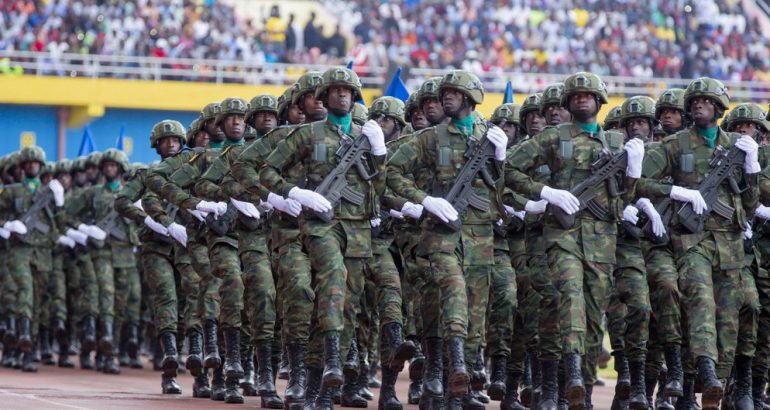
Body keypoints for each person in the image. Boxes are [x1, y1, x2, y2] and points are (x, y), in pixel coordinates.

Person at [504, 72, 645, 409]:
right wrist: (545, 192)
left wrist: (634, 172)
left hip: (602, 242)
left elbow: (622, 200)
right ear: (568, 102)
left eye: (588, 95)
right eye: (576, 96)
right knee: (570, 300)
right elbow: (508, 169)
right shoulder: (553, 137)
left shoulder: (615, 143)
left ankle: (582, 391)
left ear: (599, 101)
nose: (582, 99)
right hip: (562, 236)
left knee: (594, 318)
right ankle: (565, 381)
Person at [387, 70, 510, 408]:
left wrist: (501, 159)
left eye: (453, 93)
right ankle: (452, 368)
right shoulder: (431, 138)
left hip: (480, 236)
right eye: (444, 94)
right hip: (441, 236)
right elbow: (391, 171)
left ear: (470, 98)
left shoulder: (490, 137)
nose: (445, 99)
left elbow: (502, 193)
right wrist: (424, 200)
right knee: (454, 294)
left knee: (475, 309)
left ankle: (460, 388)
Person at [639, 77, 761, 410]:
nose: (698, 105)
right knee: (700, 302)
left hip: (730, 245)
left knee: (730, 317)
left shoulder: (738, 147)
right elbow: (637, 182)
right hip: (691, 242)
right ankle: (705, 371)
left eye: (706, 101)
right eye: (694, 102)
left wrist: (752, 167)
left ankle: (716, 382)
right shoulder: (675, 145)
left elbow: (749, 205)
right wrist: (675, 191)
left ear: (719, 108)